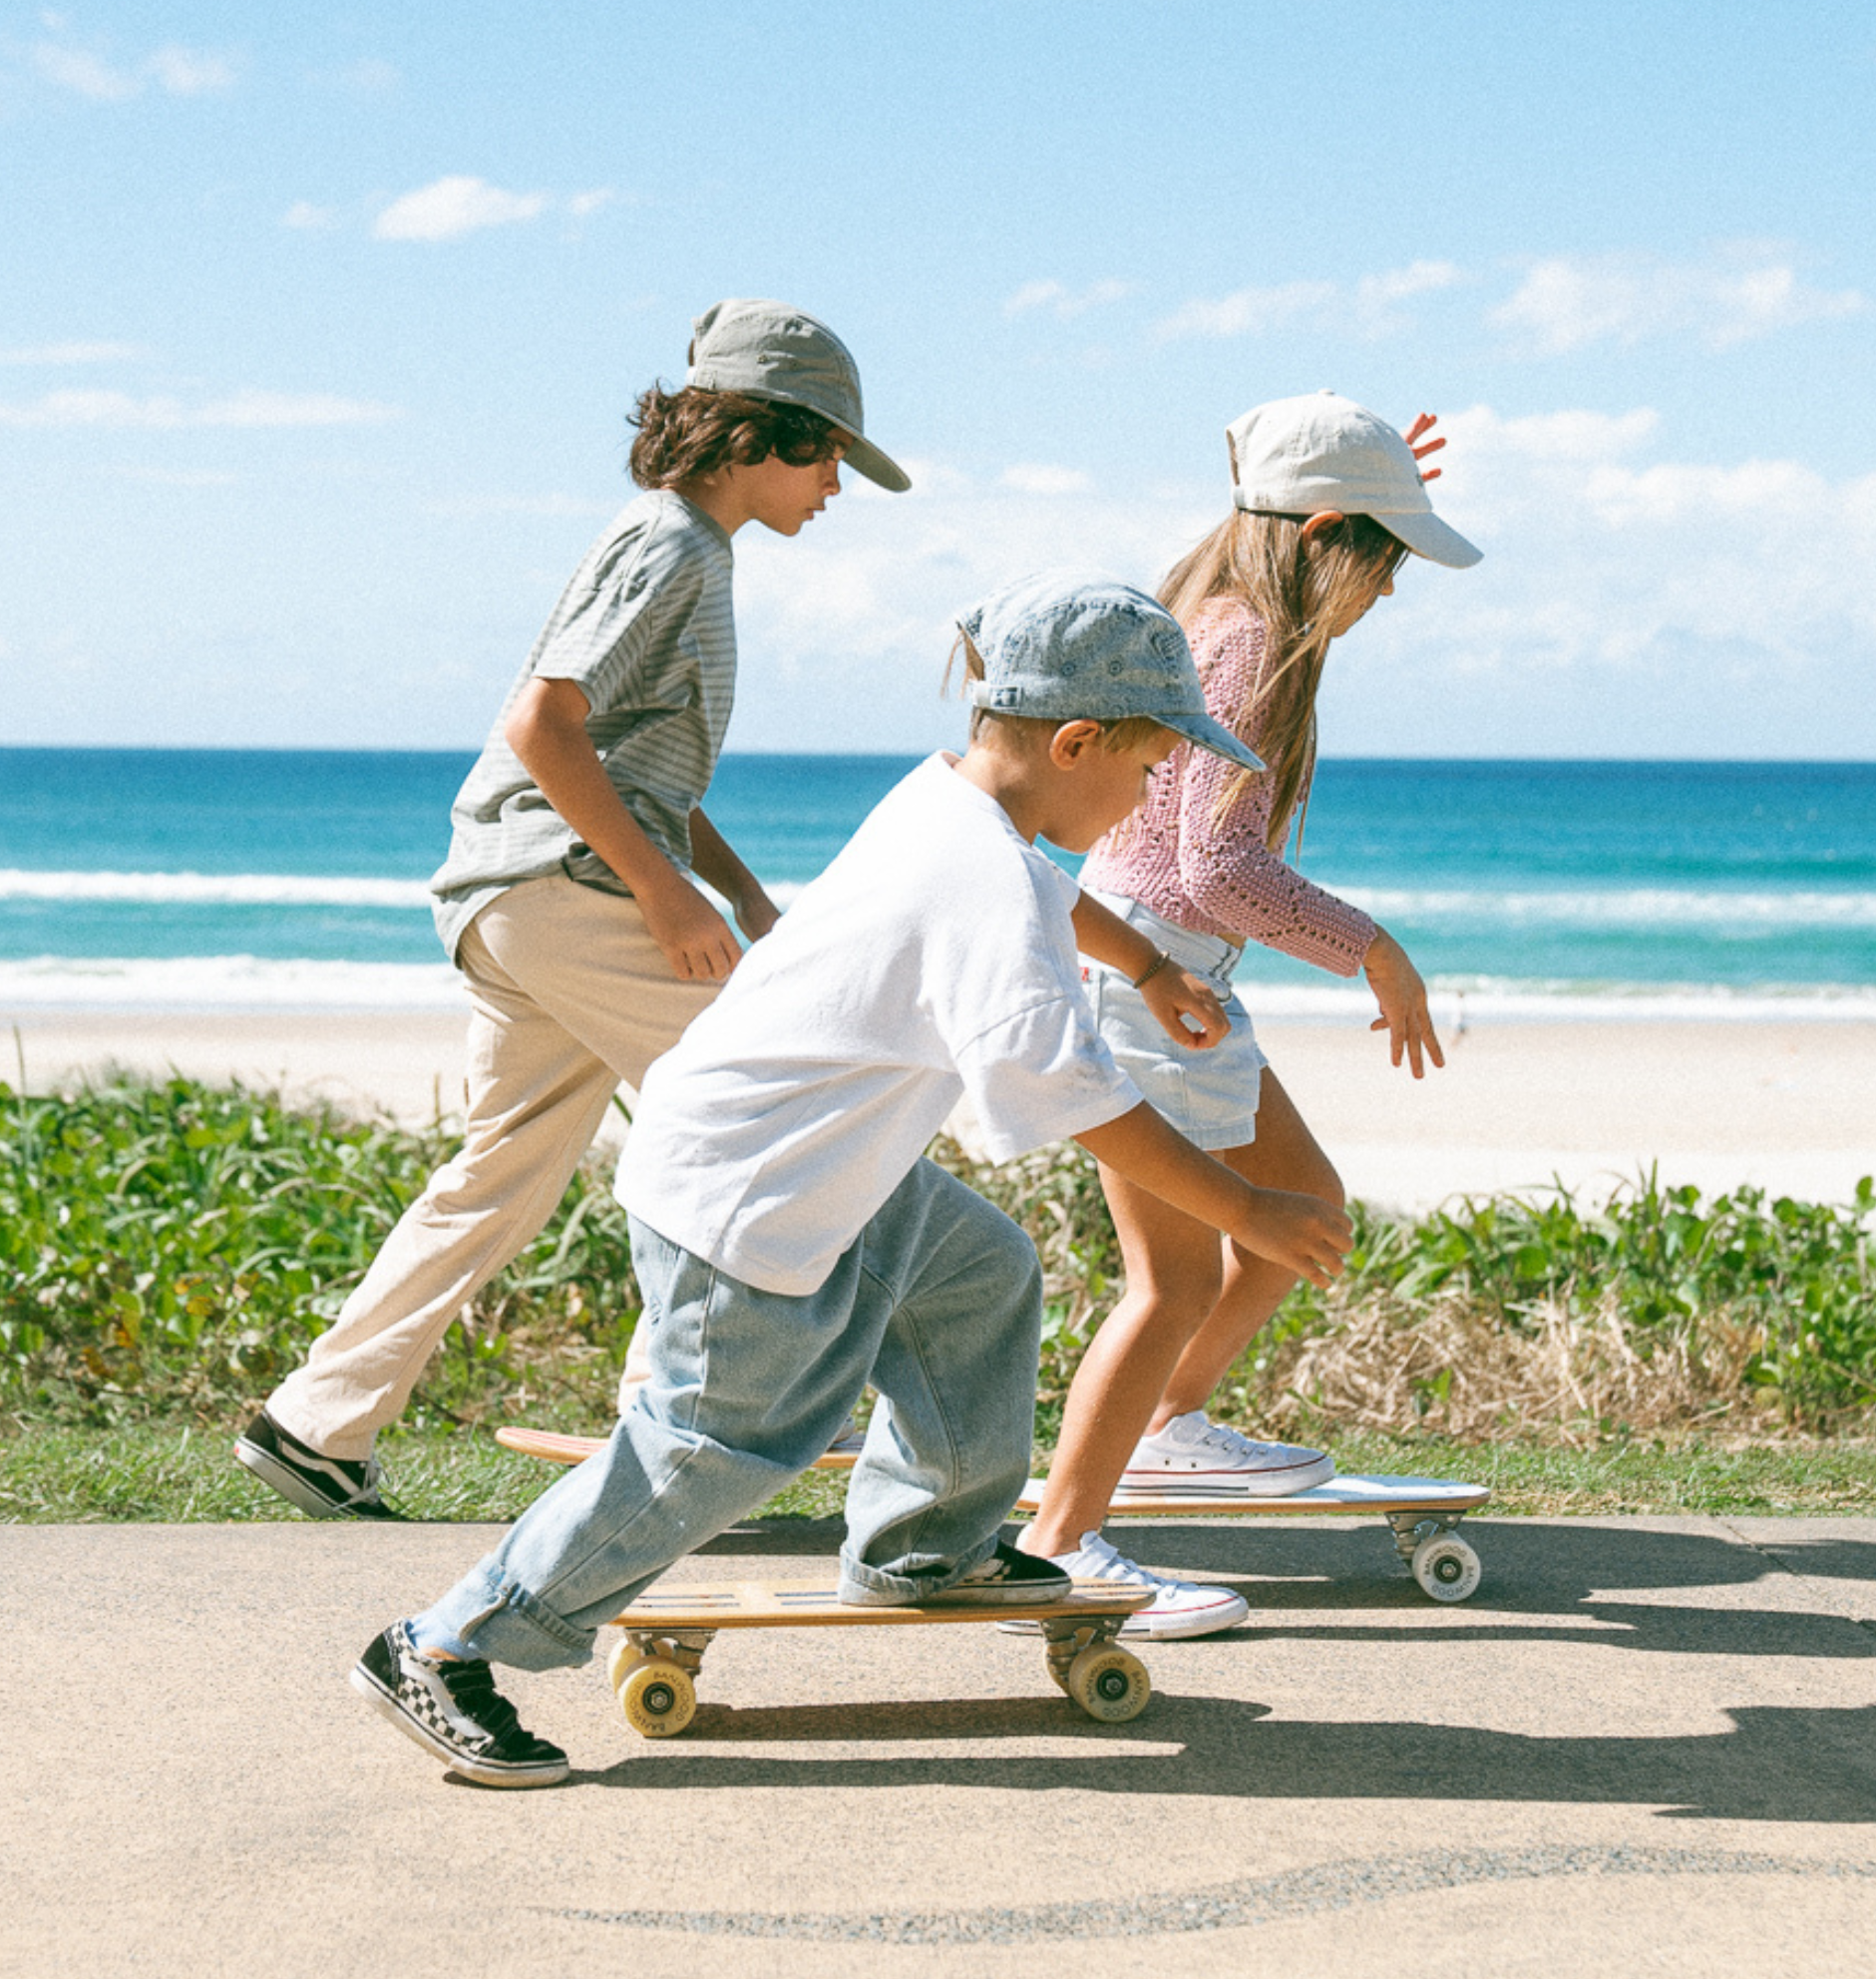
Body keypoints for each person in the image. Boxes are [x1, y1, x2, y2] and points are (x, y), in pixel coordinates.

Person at [349, 573, 1354, 1785]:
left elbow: (1051, 901)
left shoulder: (956, 808)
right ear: (1077, 741)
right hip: (745, 1196)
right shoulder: (975, 869)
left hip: (819, 1169)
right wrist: (1246, 1208)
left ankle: (924, 1544)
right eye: (1148, 769)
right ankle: (445, 1640)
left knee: (977, 1273)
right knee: (707, 1447)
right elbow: (1060, 1092)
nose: (1152, 793)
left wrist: (1146, 965)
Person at [235, 299, 910, 1520]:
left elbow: (621, 755)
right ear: (756, 432)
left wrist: (735, 886)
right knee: (763, 1114)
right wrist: (661, 896)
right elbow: (541, 728)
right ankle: (675, 1412)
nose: (834, 486)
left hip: (508, 893)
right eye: (826, 457)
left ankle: (314, 1423)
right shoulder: (673, 547)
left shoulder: (672, 540)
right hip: (563, 890)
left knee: (499, 1172)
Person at [1010, 392, 1482, 1639]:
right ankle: (1059, 1548)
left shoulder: (1226, 617)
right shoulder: (1245, 642)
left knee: (1303, 1215)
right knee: (1164, 1283)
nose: (1387, 592)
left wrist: (1376, 474)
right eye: (1382, 558)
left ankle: (1169, 1426)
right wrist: (1374, 951)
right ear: (1322, 531)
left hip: (1183, 984)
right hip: (1152, 974)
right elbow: (1216, 868)